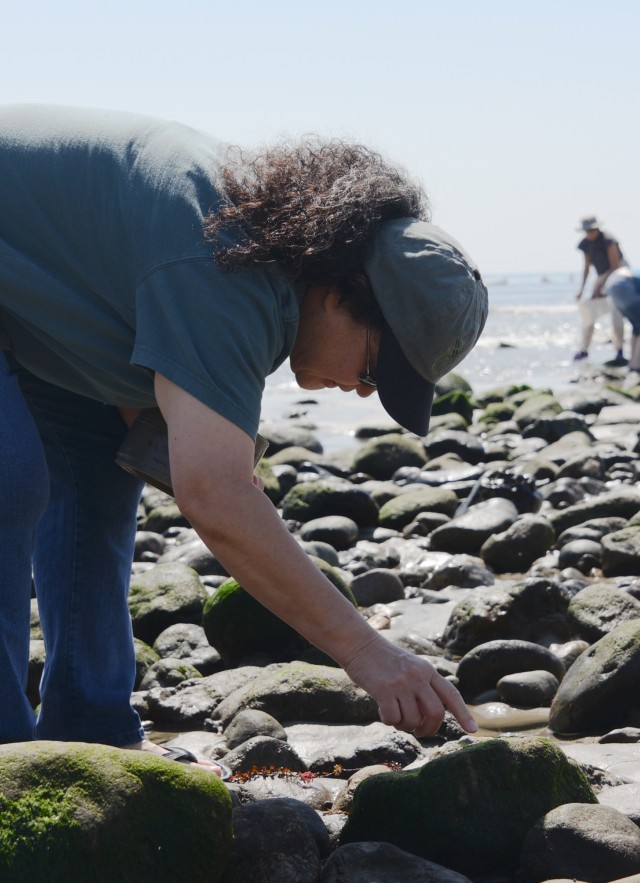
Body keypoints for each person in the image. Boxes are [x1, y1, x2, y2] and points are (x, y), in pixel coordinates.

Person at [0, 104, 487, 775]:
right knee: (10, 477)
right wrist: (367, 652)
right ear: (345, 289)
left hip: (29, 293)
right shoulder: (228, 264)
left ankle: (92, 735)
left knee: (97, 475)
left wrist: (205, 469)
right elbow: (214, 492)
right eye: (376, 368)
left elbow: (137, 400)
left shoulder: (263, 250)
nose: (366, 391)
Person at [574, 215, 626, 364]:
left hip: (619, 274)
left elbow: (615, 266)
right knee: (589, 312)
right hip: (601, 277)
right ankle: (584, 349)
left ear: (597, 228)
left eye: (592, 230)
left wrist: (601, 286)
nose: (590, 233)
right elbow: (586, 268)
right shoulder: (585, 244)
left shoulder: (608, 239)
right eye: (587, 231)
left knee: (616, 313)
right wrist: (581, 290)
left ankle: (619, 351)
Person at [604, 267, 640, 376]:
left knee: (636, 326)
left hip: (612, 285)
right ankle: (636, 365)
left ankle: (632, 363)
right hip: (624, 283)